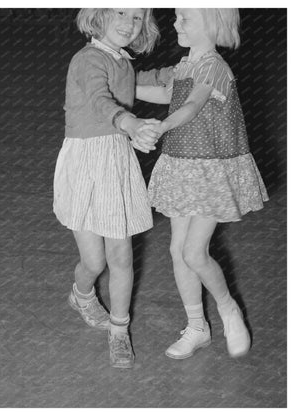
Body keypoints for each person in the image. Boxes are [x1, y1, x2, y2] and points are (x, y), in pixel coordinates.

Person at [136, 8, 269, 359]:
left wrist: (160, 127)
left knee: (195, 252)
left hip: (212, 172)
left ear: (210, 25)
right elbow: (169, 94)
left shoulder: (214, 66)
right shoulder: (185, 65)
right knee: (177, 251)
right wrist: (120, 82)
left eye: (185, 19)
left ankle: (228, 310)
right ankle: (197, 327)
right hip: (183, 168)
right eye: (178, 17)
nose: (176, 24)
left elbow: (192, 105)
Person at [53, 8, 161, 368]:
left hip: (116, 163)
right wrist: (128, 121)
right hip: (85, 164)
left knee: (121, 257)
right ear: (98, 15)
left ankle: (119, 330)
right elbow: (101, 99)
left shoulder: (124, 63)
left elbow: (145, 83)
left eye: (136, 17)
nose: (128, 24)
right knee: (94, 261)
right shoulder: (86, 59)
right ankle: (82, 295)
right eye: (120, 12)